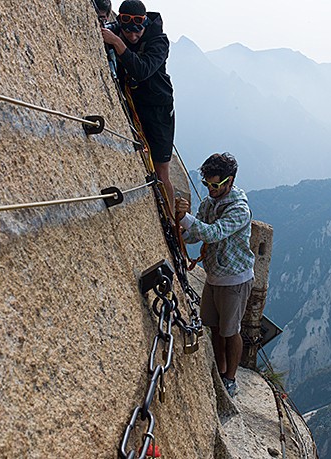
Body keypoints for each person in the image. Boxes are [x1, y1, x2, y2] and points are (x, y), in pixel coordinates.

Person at [175, 153, 255, 397]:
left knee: (230, 331)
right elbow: (192, 235)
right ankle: (220, 370)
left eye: (215, 185)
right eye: (207, 184)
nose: (210, 189)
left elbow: (212, 233)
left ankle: (230, 379)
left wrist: (185, 219)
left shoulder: (240, 210)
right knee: (214, 327)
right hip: (214, 277)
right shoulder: (210, 203)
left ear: (229, 182)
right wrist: (178, 222)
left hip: (235, 280)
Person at [101, 0, 176, 212]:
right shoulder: (118, 30)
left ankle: (170, 218)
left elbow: (142, 70)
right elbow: (109, 29)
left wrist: (119, 43)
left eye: (137, 33)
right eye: (128, 33)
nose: (133, 37)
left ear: (144, 24)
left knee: (162, 171)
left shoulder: (159, 41)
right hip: (135, 103)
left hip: (159, 109)